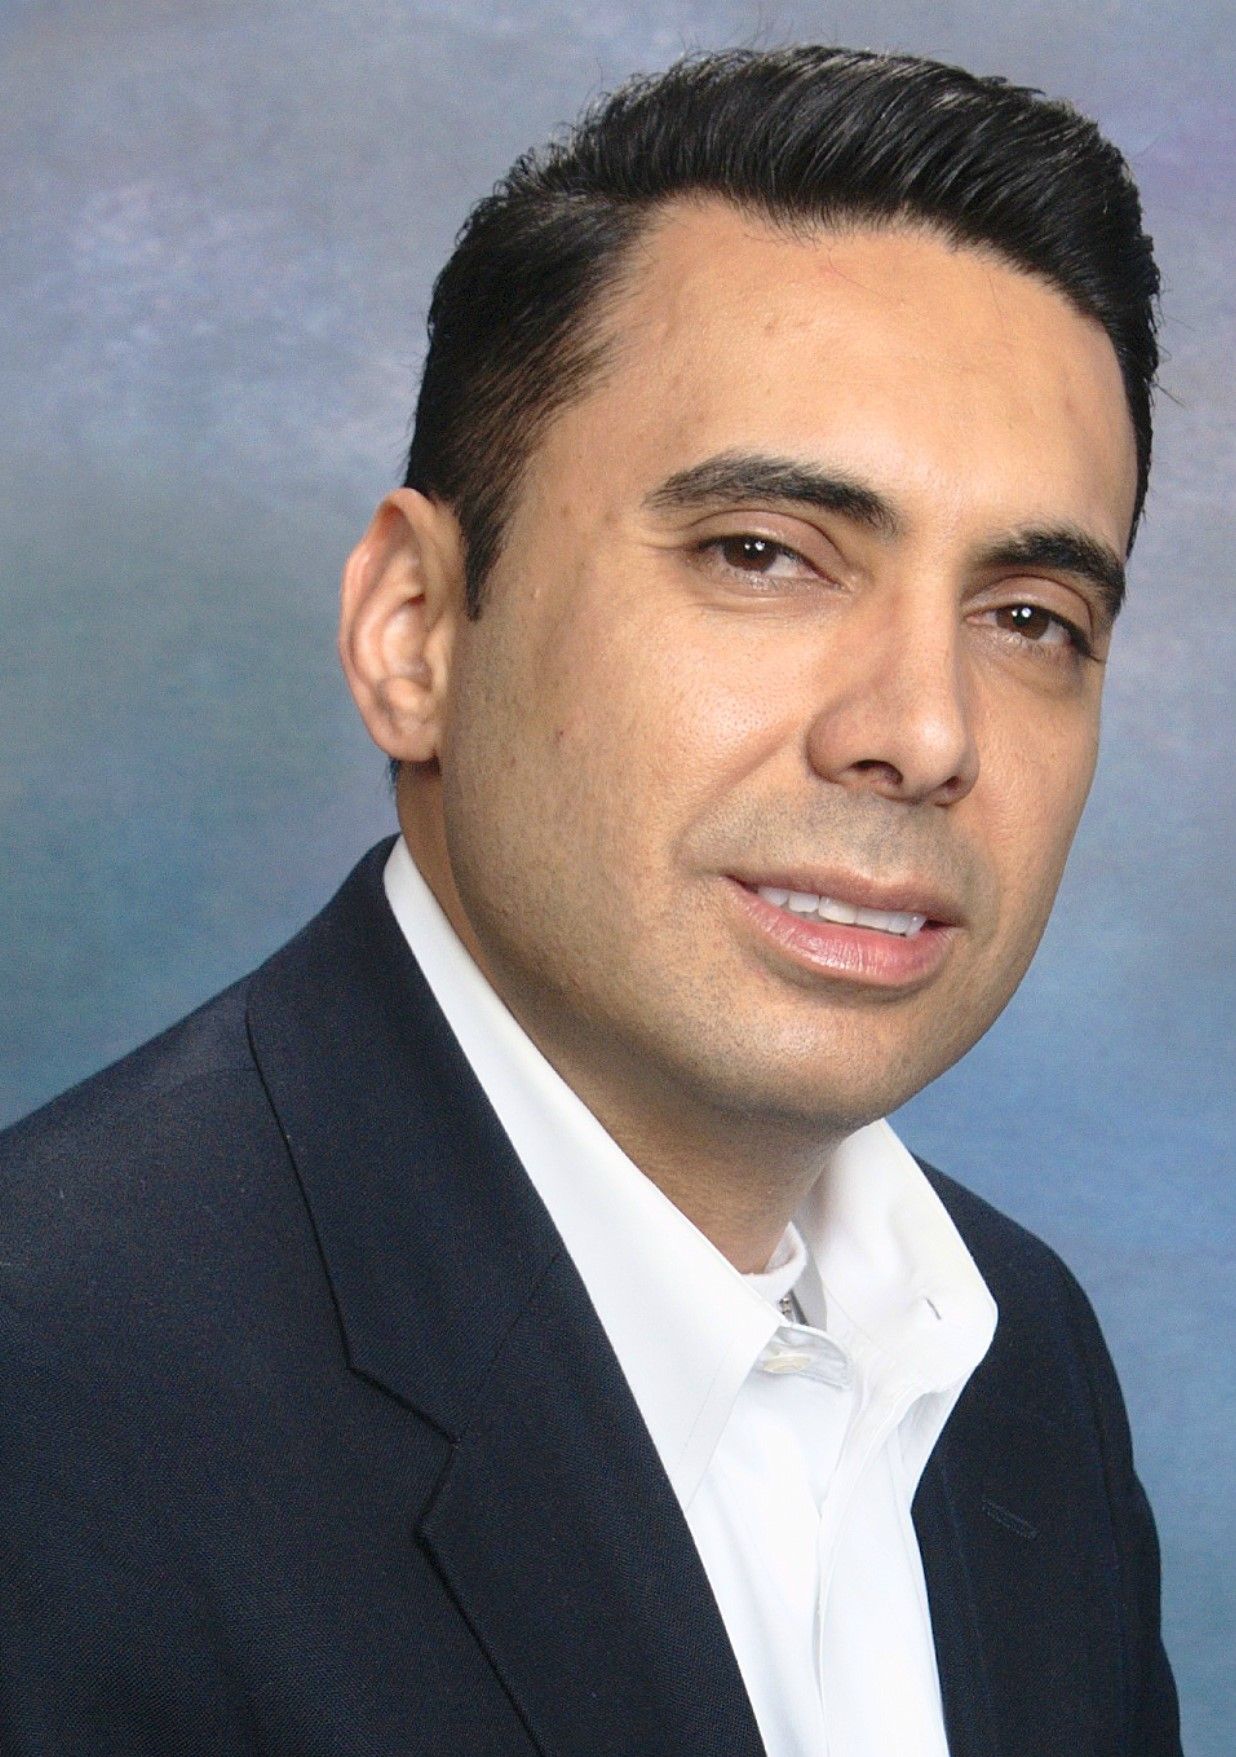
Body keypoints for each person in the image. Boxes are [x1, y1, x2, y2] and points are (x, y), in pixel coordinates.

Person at [0, 45, 1181, 1757]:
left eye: (1030, 619)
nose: (925, 732)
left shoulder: (1026, 1364)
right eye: (762, 552)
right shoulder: (50, 1405)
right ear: (416, 630)